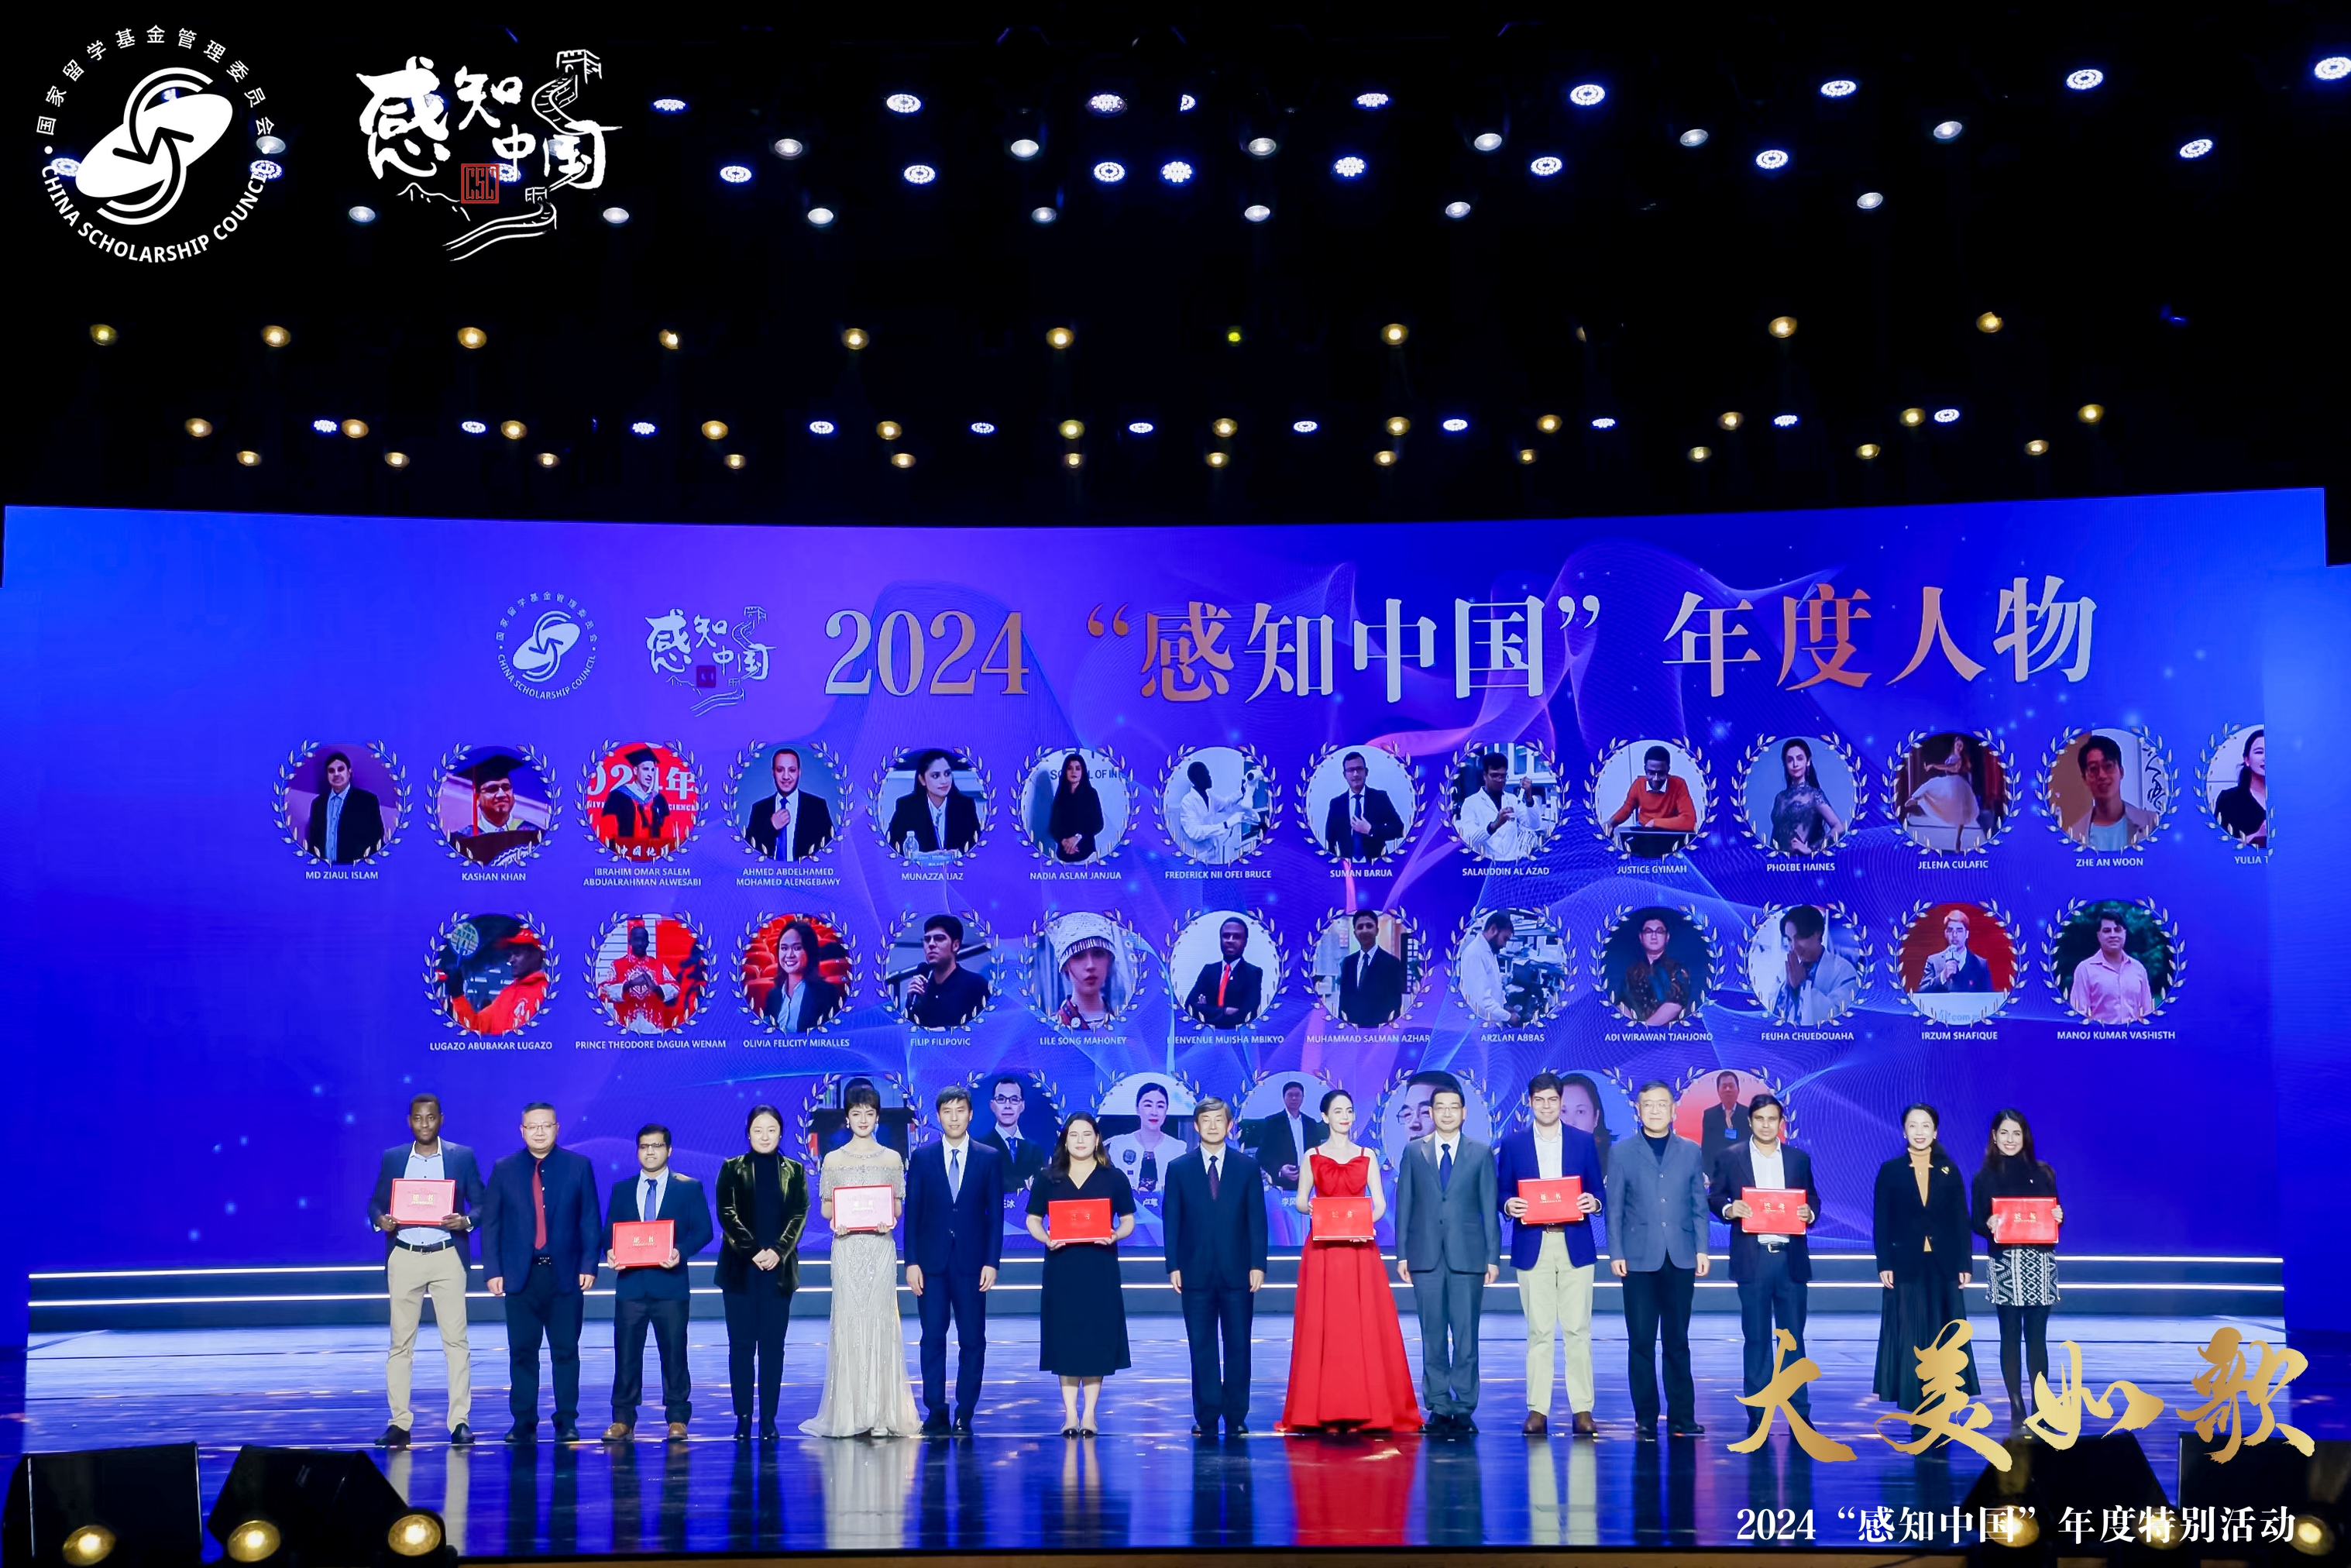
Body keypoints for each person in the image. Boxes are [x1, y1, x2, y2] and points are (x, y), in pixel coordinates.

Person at [1280, 1089, 1423, 1433]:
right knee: (1325, 1326)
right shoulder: (1313, 1156)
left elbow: (1380, 1203)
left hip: (1359, 1249)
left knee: (1362, 1326)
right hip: (1323, 1252)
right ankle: (1322, 1410)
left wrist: (1363, 1222)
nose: (1345, 1117)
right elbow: (1300, 1200)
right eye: (1337, 1111)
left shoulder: (1367, 1155)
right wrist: (1313, 1209)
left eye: (1349, 1110)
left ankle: (1367, 1409)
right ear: (1325, 1117)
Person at [802, 1085, 922, 1437]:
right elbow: (827, 1209)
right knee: (850, 1323)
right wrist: (839, 1220)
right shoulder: (834, 1160)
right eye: (857, 1113)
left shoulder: (892, 1159)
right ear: (847, 1117)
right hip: (847, 1248)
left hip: (879, 1248)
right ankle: (852, 1412)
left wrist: (887, 1220)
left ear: (878, 1116)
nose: (863, 1119)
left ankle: (882, 1414)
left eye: (869, 1113)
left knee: (881, 1322)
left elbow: (895, 1208)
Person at [368, 1093, 486, 1449]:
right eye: (418, 1118)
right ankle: (399, 1422)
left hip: (447, 1255)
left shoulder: (461, 1156)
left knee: (456, 1342)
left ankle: (460, 1421)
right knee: (400, 1344)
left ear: (441, 1120)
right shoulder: (393, 1158)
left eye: (431, 1118)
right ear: (410, 1121)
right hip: (404, 1255)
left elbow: (482, 1203)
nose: (424, 1124)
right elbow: (375, 1203)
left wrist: (466, 1220)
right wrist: (381, 1220)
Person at [479, 1102, 601, 1443]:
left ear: (557, 1128)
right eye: (532, 1127)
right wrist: (493, 1270)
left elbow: (590, 1220)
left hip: (565, 1276)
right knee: (522, 1351)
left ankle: (567, 1420)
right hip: (521, 1277)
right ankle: (523, 1421)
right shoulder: (504, 1169)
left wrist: (588, 1265)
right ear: (522, 1131)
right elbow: (491, 1224)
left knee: (566, 1351)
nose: (539, 1132)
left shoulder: (579, 1166)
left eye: (546, 1126)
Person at [1496, 1072, 1607, 1437]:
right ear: (1530, 1103)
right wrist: (1509, 1205)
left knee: (1578, 1330)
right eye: (1539, 1100)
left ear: (1561, 1102)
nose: (1546, 1106)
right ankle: (1537, 1410)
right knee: (1539, 1331)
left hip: (1574, 1243)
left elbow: (1597, 1190)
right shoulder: (1513, 1144)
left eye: (1552, 1100)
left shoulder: (1582, 1141)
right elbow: (1502, 1192)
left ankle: (1582, 1409)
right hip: (1533, 1244)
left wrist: (1594, 1202)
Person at [1708, 1095, 1820, 1437]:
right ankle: (1759, 1413)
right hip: (1753, 1259)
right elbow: (1715, 1196)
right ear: (1750, 1121)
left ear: (1781, 1122)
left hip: (1790, 1259)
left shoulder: (1798, 1159)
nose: (1766, 1125)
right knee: (1756, 1339)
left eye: (1773, 1119)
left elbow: (1812, 1198)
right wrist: (1730, 1209)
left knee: (1793, 1339)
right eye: (1760, 1119)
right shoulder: (1730, 1157)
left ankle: (1799, 1411)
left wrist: (1810, 1213)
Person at [1606, 1081, 1711, 1440]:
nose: (1655, 1110)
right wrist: (1616, 1253)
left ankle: (1682, 1416)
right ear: (1638, 1110)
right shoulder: (1622, 1153)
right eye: (1648, 1104)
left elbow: (1698, 1205)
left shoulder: (1691, 1151)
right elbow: (1614, 1209)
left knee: (1677, 1340)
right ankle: (1646, 1417)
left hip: (1680, 1256)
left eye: (1661, 1104)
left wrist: (1702, 1249)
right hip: (1637, 1259)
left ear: (1673, 1110)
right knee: (1641, 1342)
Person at [1393, 1079, 1500, 1433]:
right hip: (1425, 1257)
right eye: (1440, 1108)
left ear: (1464, 1113)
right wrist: (1402, 1254)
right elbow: (1404, 1205)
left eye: (1454, 1107)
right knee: (1432, 1335)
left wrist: (1493, 1257)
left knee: (1467, 1336)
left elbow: (1489, 1209)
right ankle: (1438, 1405)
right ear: (1432, 1112)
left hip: (1468, 1256)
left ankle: (1465, 1406)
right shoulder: (1414, 1152)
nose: (1447, 1113)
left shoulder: (1480, 1153)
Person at [600, 1123, 714, 1442]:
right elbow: (609, 1231)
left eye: (657, 1146)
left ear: (669, 1150)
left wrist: (681, 1252)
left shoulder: (688, 1188)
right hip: (631, 1287)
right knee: (625, 1356)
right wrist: (610, 1250)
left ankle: (677, 1418)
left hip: (671, 1287)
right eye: (644, 1146)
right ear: (638, 1151)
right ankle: (623, 1420)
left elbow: (704, 1231)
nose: (650, 1152)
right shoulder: (622, 1189)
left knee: (675, 1355)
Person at [1162, 1097, 1269, 1437]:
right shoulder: (1179, 1168)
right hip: (1194, 1271)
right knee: (1201, 1345)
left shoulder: (1246, 1167)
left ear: (1229, 1125)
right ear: (1196, 1126)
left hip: (1239, 1271)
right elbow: (1172, 1221)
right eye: (1205, 1120)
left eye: (1218, 1120)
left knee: (1239, 1345)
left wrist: (1258, 1263)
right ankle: (1207, 1414)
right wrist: (1173, 1264)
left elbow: (1257, 1220)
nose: (1212, 1126)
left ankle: (1236, 1414)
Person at [1026, 1114, 1137, 1435]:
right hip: (1061, 1269)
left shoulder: (1113, 1177)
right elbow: (1033, 1218)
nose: (1080, 1141)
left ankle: (1089, 1414)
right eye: (1073, 1135)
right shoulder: (1049, 1178)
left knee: (1096, 1339)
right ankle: (1070, 1415)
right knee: (1066, 1340)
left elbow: (1128, 1220)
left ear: (1097, 1139)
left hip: (1100, 1269)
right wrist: (1046, 1237)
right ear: (1065, 1139)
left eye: (1086, 1134)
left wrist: (1115, 1235)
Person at [905, 1085, 1005, 1435]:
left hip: (972, 1264)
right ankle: (936, 1410)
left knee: (973, 1339)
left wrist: (992, 1262)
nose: (954, 1118)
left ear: (971, 1114)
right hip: (930, 1264)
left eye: (960, 1111)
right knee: (932, 1337)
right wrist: (911, 1262)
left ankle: (965, 1411)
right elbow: (913, 1214)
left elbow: (995, 1217)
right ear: (938, 1116)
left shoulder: (989, 1158)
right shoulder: (922, 1158)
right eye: (947, 1111)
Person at [1872, 1104, 1978, 1411]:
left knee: (1944, 1330)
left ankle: (1943, 1395)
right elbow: (1882, 1221)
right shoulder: (1890, 1170)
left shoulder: (1949, 1169)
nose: (1919, 1132)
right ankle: (1913, 1396)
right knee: (1910, 1330)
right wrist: (1884, 1263)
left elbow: (1960, 1220)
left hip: (1943, 1263)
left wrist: (1965, 1263)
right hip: (1905, 1262)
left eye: (1926, 1126)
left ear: (1936, 1131)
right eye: (1913, 1126)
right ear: (1904, 1131)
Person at [716, 1104, 809, 1441]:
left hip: (778, 1273)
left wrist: (778, 1251)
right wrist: (754, 1251)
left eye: (771, 1130)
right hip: (740, 1271)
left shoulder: (794, 1171)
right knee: (741, 1347)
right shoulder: (732, 1168)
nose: (765, 1136)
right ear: (748, 1133)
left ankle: (768, 1419)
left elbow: (798, 1214)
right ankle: (743, 1418)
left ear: (781, 1133)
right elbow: (727, 1214)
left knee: (772, 1348)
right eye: (758, 1130)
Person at [1971, 1109, 2063, 1432]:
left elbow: (2053, 1217)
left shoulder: (2043, 1172)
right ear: (1994, 1137)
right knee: (2010, 1336)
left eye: (2016, 1133)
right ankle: (2016, 1406)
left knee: (2037, 1339)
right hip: (2005, 1264)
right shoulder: (1984, 1177)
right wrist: (1988, 1223)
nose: (2010, 1140)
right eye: (2004, 1133)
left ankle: (2041, 1407)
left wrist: (2060, 1216)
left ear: (2025, 1137)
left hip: (2039, 1263)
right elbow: (1976, 1222)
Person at [1767, 905, 1860, 1026]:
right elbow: (1772, 1007)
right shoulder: (1788, 970)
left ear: (1818, 933)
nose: (1794, 947)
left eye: (1800, 938)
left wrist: (1802, 986)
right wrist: (1788, 988)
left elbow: (1838, 1016)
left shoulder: (1844, 971)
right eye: (1789, 939)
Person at [2064, 734, 2158, 849]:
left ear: (2121, 772)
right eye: (2093, 769)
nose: (2102, 775)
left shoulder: (2152, 823)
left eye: (2108, 766)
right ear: (2085, 778)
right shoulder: (2072, 836)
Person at [745, 745, 836, 861]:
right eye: (780, 770)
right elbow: (748, 853)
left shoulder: (817, 807)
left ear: (799, 772)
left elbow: (831, 850)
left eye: (792, 770)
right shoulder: (759, 809)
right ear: (773, 772)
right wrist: (771, 826)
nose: (786, 776)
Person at [449, 753, 541, 866]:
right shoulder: (461, 840)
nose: (502, 794)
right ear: (477, 798)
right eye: (492, 789)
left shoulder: (533, 833)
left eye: (506, 788)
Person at [886, 748, 981, 854]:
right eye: (936, 776)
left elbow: (977, 847)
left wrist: (958, 855)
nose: (944, 781)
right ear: (922, 780)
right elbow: (892, 846)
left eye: (947, 774)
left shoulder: (965, 806)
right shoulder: (907, 807)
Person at [1606, 745, 1697, 854]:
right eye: (1651, 773)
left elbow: (1689, 821)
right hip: (1644, 833)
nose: (1656, 779)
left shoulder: (1679, 784)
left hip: (1670, 834)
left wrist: (1655, 823)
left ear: (1668, 770)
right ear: (1645, 769)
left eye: (1661, 773)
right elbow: (1627, 808)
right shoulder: (1638, 784)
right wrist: (1611, 823)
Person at [903, 913, 988, 1029]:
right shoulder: (923, 989)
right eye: (927, 939)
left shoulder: (975, 984)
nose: (931, 944)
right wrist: (911, 1001)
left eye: (939, 939)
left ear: (955, 945)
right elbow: (909, 1033)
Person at [761, 917, 846, 1033]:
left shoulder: (827, 994)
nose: (789, 955)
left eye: (797, 948)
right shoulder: (773, 995)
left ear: (810, 952)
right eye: (784, 948)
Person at [2068, 912, 2155, 1022]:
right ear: (2099, 936)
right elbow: (2079, 1014)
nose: (2113, 935)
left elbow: (2147, 1011)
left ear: (2125, 933)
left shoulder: (2138, 969)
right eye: (2107, 931)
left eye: (2118, 930)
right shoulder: (2085, 970)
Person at [1902, 734, 1984, 850]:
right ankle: (1916, 800)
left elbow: (1950, 767)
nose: (1959, 747)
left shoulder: (1959, 758)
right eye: (1958, 744)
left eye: (1961, 746)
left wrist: (1934, 766)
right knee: (1931, 787)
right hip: (1949, 781)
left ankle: (1958, 839)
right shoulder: (1952, 756)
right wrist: (1935, 766)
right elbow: (1947, 766)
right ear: (1954, 745)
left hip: (1956, 784)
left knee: (1961, 812)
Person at [1243, 1080, 1325, 1195]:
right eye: (1290, 1095)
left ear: (1303, 1097)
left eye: (1297, 1095)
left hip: (1308, 1183)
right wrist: (1280, 1169)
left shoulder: (1310, 1123)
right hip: (1282, 1185)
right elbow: (1262, 1154)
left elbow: (1316, 1151)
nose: (1294, 1098)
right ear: (1284, 1097)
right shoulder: (1273, 1122)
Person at [1456, 751, 1542, 861]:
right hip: (1487, 864)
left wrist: (1529, 797)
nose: (1499, 780)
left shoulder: (1512, 800)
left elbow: (1534, 825)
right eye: (1494, 775)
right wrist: (1495, 825)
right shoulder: (1471, 803)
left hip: (1512, 863)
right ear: (1485, 776)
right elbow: (1469, 839)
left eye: (1503, 776)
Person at [1322, 750, 1406, 860]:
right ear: (1344, 775)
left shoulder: (1380, 798)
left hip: (1378, 865)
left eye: (1359, 769)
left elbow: (1399, 829)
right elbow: (1330, 840)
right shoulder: (1336, 804)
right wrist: (1335, 865)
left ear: (1366, 772)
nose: (1356, 774)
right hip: (1347, 866)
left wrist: (1370, 830)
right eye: (1351, 770)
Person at [1174, 758, 1261, 863]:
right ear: (1197, 779)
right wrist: (1226, 825)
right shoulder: (1187, 802)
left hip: (1214, 851)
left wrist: (1242, 792)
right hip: (1198, 855)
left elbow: (1225, 804)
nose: (1209, 777)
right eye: (1206, 774)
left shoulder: (1209, 794)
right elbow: (1195, 833)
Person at [600, 921, 682, 1033]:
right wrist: (629, 985)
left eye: (643, 940)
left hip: (654, 1027)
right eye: (636, 940)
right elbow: (602, 992)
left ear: (648, 943)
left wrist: (656, 988)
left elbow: (676, 988)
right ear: (630, 941)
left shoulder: (658, 965)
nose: (640, 943)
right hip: (625, 1027)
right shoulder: (617, 965)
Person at [305, 750, 386, 863]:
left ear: (349, 771)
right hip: (324, 870)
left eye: (341, 769)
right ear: (327, 775)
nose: (336, 774)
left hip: (356, 870)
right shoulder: (318, 804)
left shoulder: (367, 801)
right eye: (331, 771)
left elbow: (376, 838)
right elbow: (313, 840)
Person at [1183, 916, 1264, 1028]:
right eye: (1226, 936)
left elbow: (1247, 1014)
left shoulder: (1253, 973)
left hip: (1237, 1036)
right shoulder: (1208, 970)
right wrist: (1225, 1011)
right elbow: (1190, 1006)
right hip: (1206, 1035)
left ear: (1245, 942)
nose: (1230, 940)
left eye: (1237, 937)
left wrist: (1205, 1009)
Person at [1767, 738, 1844, 855]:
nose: (1795, 764)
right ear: (1785, 764)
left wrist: (1812, 849)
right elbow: (1775, 834)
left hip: (1802, 861)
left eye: (1800, 758)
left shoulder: (1813, 795)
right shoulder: (1780, 798)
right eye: (1790, 760)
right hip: (1778, 862)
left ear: (1808, 762)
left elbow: (1839, 827)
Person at [1103, 1081, 1182, 1193]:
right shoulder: (1118, 1145)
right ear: (1137, 1109)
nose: (1154, 1112)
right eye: (1148, 1105)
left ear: (1166, 1110)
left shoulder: (1178, 1149)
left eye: (1160, 1106)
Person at [1616, 911, 1692, 1026]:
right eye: (1648, 931)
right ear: (1641, 937)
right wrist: (1632, 1029)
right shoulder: (1632, 972)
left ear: (1667, 937)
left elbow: (1675, 1005)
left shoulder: (1677, 968)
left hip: (1672, 1034)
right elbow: (1622, 1004)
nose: (1654, 936)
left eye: (1659, 931)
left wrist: (1646, 1029)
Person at [1335, 909, 1406, 1026]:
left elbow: (1395, 1002)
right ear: (1355, 933)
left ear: (1377, 931)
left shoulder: (1392, 963)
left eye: (1369, 926)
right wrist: (1342, 1026)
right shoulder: (1348, 962)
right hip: (1352, 1030)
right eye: (1360, 927)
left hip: (1380, 1030)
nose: (1365, 930)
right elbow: (1344, 999)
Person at [1050, 914, 1122, 1031]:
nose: (1090, 965)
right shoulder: (1051, 1028)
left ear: (1109, 960)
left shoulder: (1127, 1024)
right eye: (1078, 955)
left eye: (1098, 953)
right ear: (1065, 966)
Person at [977, 1075, 1048, 1188]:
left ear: (1022, 1106)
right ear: (992, 1105)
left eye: (1014, 1100)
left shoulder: (1035, 1151)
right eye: (1001, 1099)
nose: (1007, 1106)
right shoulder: (979, 1148)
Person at [1459, 912, 1525, 1026]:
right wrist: (1508, 1017)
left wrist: (1504, 1006)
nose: (1505, 945)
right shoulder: (1475, 954)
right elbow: (1482, 1001)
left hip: (1490, 1019)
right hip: (1480, 1023)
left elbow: (1494, 985)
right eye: (1505, 939)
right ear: (1493, 929)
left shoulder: (1489, 951)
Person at [600, 747, 672, 848]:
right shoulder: (617, 797)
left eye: (653, 770)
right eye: (645, 769)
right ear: (635, 770)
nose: (650, 774)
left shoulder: (659, 799)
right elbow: (607, 833)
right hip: (624, 853)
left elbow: (667, 833)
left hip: (653, 854)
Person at [1046, 751, 1106, 862]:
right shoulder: (1061, 796)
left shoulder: (1091, 794)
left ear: (1083, 772)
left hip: (1087, 855)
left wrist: (1078, 837)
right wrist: (1064, 841)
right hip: (1063, 855)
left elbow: (1098, 824)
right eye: (1070, 768)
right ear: (1065, 771)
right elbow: (1054, 825)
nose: (1074, 772)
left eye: (1078, 768)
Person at [1916, 909, 1992, 994]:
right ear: (1945, 934)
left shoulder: (1981, 964)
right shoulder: (1934, 961)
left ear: (1967, 934)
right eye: (1950, 930)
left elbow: (1988, 997)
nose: (1954, 935)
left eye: (1959, 930)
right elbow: (1921, 993)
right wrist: (1943, 976)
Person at [1559, 1073, 1619, 1179]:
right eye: (1563, 1111)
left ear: (1596, 1118)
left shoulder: (1617, 1167)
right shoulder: (1538, 1163)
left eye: (1580, 1112)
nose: (1570, 1122)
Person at [2214, 729, 2267, 845]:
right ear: (2247, 760)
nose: (2266, 757)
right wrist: (2257, 835)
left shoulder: (2289, 798)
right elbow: (2217, 843)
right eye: (2259, 752)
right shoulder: (2228, 800)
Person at [1698, 1071, 1751, 1178]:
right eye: (1724, 1086)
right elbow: (1706, 1149)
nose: (1728, 1089)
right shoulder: (1710, 1115)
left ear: (1738, 1090)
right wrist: (1711, 1175)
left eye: (1731, 1086)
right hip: (1717, 1174)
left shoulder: (1749, 1114)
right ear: (1718, 1091)